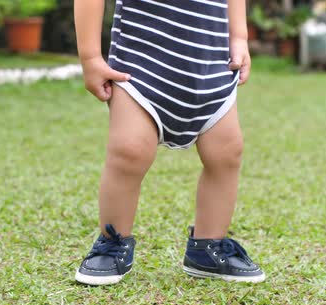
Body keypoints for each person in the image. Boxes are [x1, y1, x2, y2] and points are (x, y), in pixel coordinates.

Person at [73, 0, 265, 285]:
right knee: (129, 152)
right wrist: (90, 58)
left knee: (226, 154)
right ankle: (113, 242)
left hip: (211, 66)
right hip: (140, 67)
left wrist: (239, 36)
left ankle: (208, 246)